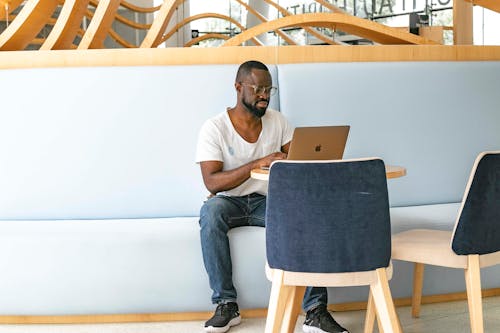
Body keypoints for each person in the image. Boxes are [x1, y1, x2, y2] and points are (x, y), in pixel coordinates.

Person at [195, 60, 349, 333]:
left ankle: (315, 311)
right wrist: (259, 163)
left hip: (269, 200)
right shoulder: (214, 127)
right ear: (238, 87)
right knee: (211, 212)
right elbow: (212, 182)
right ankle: (226, 305)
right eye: (257, 89)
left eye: (269, 89)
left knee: (304, 215)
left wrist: (299, 159)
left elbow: (299, 156)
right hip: (228, 201)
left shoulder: (278, 121)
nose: (264, 95)